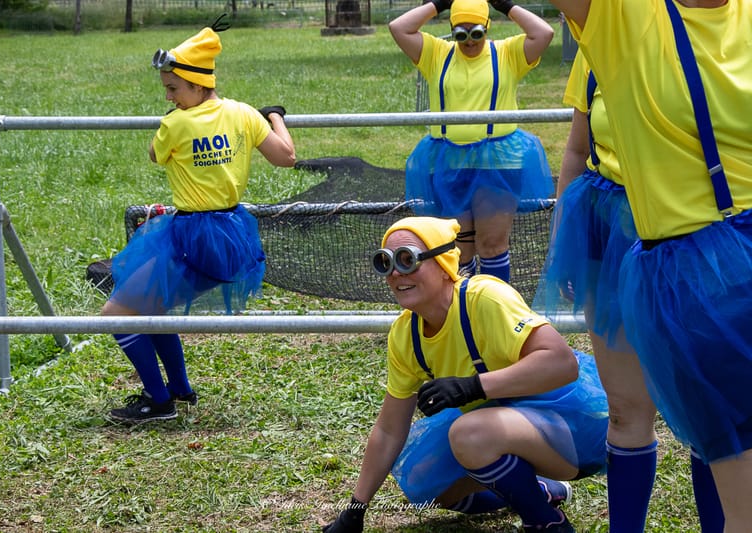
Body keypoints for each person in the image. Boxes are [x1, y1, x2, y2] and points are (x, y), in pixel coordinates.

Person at [544, 1, 752, 531]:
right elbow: (576, 148)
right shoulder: (619, 19)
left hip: (722, 250)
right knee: (637, 409)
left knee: (719, 429)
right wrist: (560, 235)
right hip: (653, 243)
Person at [321, 216, 608, 532]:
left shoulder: (483, 298)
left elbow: (561, 363)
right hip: (499, 426)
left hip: (575, 427)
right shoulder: (406, 334)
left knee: (469, 435)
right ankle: (537, 491)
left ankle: (546, 522)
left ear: (444, 265)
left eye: (408, 260)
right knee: (426, 480)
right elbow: (389, 430)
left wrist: (473, 386)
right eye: (386, 263)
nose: (395, 275)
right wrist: (355, 510)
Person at [102, 18, 296, 424]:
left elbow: (155, 156)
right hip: (233, 232)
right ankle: (178, 389)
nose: (170, 98)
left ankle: (159, 403)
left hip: (189, 235)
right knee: (150, 306)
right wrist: (274, 116)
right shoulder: (244, 114)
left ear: (197, 84)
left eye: (173, 89)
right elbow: (285, 157)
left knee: (116, 313)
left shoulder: (175, 124)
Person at [532, 49, 661, 532]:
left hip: (697, 239)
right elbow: (575, 150)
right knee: (627, 407)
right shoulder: (599, 44)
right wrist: (563, 234)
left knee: (709, 414)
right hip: (607, 234)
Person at [389, 0, 555, 282]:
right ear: (451, 31)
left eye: (476, 32)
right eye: (460, 33)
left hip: (498, 162)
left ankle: (495, 310)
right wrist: (438, 4)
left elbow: (544, 33)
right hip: (448, 160)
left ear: (487, 28)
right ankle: (463, 311)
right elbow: (399, 28)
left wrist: (506, 5)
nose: (469, 41)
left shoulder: (506, 53)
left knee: (491, 245)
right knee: (457, 249)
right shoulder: (437, 53)